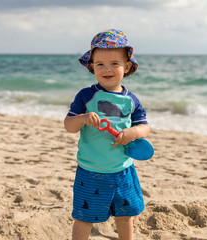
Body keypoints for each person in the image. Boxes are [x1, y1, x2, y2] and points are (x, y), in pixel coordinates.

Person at [64, 29, 150, 240]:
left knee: (126, 215)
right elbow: (69, 125)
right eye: (100, 64)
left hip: (123, 170)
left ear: (127, 66)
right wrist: (83, 119)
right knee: (84, 217)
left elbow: (145, 127)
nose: (107, 69)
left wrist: (133, 132)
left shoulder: (131, 100)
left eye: (114, 63)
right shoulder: (86, 95)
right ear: (92, 66)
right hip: (90, 170)